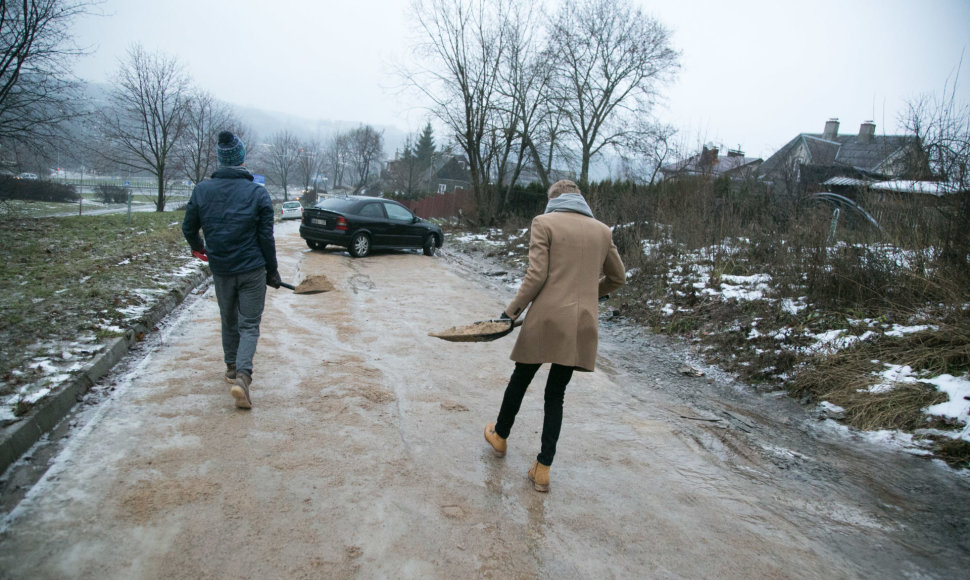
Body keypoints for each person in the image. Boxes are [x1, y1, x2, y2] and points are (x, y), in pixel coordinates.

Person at [484, 179, 625, 492]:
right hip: (580, 324)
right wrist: (589, 294)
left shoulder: (544, 223)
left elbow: (537, 276)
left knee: (520, 378)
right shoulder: (602, 231)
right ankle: (543, 468)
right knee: (555, 394)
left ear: (554, 199)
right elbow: (619, 277)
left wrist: (510, 313)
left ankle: (500, 435)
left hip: (546, 317)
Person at [182, 131, 281, 409]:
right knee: (249, 324)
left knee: (228, 318)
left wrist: (199, 247)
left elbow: (188, 227)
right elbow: (266, 238)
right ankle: (243, 377)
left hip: (222, 267)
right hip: (252, 269)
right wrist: (272, 271)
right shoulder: (258, 193)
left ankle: (230, 367)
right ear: (241, 159)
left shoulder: (202, 190)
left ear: (220, 160)